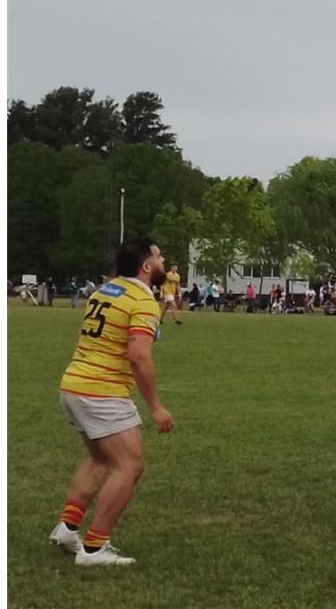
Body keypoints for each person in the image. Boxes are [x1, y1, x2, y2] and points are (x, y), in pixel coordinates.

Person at [49, 238, 176, 566]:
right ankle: (94, 548)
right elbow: (139, 357)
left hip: (74, 383)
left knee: (102, 459)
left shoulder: (105, 290)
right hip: (101, 391)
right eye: (158, 256)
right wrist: (156, 407)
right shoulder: (142, 300)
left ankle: (67, 528)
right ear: (146, 266)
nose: (163, 260)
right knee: (130, 464)